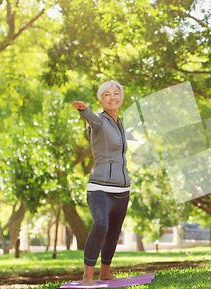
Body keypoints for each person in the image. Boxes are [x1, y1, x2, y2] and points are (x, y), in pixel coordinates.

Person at [71, 80, 132, 285]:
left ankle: (105, 272)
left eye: (116, 93)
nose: (113, 97)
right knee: (101, 225)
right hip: (100, 188)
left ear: (121, 98)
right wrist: (84, 110)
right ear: (100, 100)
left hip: (123, 189)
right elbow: (93, 120)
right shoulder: (99, 121)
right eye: (107, 94)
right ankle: (87, 275)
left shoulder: (120, 122)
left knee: (114, 232)